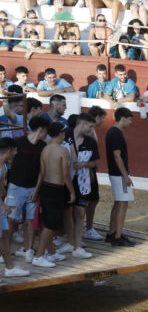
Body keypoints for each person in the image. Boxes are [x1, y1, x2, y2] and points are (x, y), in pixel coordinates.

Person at [5, 116, 49, 264]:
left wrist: (36, 190)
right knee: (11, 221)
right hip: (16, 187)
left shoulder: (41, 146)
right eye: (45, 131)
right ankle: (5, 251)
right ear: (41, 130)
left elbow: (42, 171)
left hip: (29, 188)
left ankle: (28, 250)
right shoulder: (20, 143)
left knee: (30, 221)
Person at [31, 122, 75, 268]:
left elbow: (42, 173)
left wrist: (37, 190)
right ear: (61, 133)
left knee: (46, 223)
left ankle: (50, 252)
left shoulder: (45, 149)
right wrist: (72, 191)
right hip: (56, 189)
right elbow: (65, 174)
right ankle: (39, 256)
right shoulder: (62, 151)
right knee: (51, 224)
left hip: (45, 187)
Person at [58, 113, 97, 258]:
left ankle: (77, 245)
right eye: (91, 126)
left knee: (80, 213)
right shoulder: (64, 135)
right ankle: (71, 242)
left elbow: (94, 162)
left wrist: (84, 164)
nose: (92, 130)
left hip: (81, 181)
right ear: (83, 124)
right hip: (65, 181)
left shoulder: (90, 142)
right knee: (67, 212)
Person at [0, 138, 31, 277]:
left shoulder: (3, 166)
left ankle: (10, 268)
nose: (16, 153)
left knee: (5, 236)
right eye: (15, 151)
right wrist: (2, 204)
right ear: (9, 151)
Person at [106, 107, 135, 247]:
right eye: (129, 119)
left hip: (114, 173)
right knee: (123, 204)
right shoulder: (116, 133)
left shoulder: (112, 132)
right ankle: (117, 236)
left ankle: (112, 233)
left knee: (118, 202)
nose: (130, 123)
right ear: (123, 118)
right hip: (119, 174)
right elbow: (117, 156)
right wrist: (126, 176)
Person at [83, 105, 107, 241]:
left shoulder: (90, 130)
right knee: (90, 199)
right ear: (97, 117)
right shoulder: (90, 131)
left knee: (91, 199)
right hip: (88, 169)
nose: (103, 121)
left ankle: (87, 227)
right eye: (102, 118)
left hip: (89, 168)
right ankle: (88, 228)